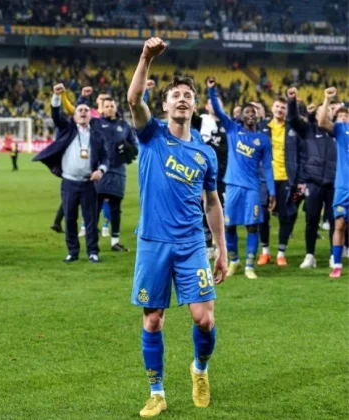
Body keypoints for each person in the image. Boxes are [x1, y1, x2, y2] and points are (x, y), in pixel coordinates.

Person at [127, 38, 227, 418]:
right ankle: (157, 392)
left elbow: (212, 203)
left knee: (204, 318)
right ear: (165, 105)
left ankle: (199, 369)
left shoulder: (205, 153)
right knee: (153, 319)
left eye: (188, 95)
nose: (182, 99)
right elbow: (133, 99)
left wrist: (222, 248)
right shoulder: (151, 134)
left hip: (191, 245)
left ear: (194, 106)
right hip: (153, 243)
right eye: (176, 96)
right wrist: (145, 58)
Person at [208, 77, 276, 280]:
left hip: (253, 188)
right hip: (233, 186)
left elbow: (268, 168)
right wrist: (212, 90)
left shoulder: (263, 140)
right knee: (229, 226)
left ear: (258, 116)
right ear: (241, 116)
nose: (251, 114)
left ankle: (249, 266)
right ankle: (235, 260)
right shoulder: (232, 129)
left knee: (252, 226)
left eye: (254, 112)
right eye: (247, 112)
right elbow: (218, 111)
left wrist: (272, 192)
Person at [34, 82, 109, 263]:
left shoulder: (97, 136)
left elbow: (106, 157)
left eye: (86, 110)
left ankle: (93, 252)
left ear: (90, 115)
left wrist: (101, 170)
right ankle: (72, 252)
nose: (83, 112)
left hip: (88, 183)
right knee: (69, 218)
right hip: (69, 182)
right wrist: (56, 96)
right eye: (79, 110)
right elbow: (56, 115)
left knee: (91, 219)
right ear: (74, 116)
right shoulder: (67, 129)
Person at [286, 88, 337, 269]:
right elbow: (292, 120)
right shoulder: (308, 130)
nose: (326, 113)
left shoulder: (337, 132)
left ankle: (334, 255)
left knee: (335, 220)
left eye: (329, 110)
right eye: (323, 110)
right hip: (313, 182)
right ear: (317, 115)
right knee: (312, 220)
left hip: (334, 182)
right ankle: (310, 255)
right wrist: (292, 102)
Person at [257, 96, 302, 266]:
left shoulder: (292, 129)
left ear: (287, 111)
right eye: (277, 106)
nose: (280, 110)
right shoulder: (262, 127)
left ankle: (281, 253)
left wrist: (298, 178)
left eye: (283, 107)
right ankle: (265, 252)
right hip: (264, 178)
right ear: (272, 108)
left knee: (285, 216)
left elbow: (300, 153)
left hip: (285, 178)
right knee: (262, 215)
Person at [90, 96, 138, 251]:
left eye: (112, 106)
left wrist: (129, 148)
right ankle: (92, 242)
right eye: (107, 106)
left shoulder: (124, 126)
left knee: (116, 208)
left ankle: (115, 242)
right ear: (102, 109)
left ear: (115, 108)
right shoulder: (95, 123)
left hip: (118, 171)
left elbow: (135, 146)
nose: (110, 108)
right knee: (95, 207)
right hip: (99, 171)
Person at [317, 87, 349, 278]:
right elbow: (322, 121)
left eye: (346, 115)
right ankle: (337, 264)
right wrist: (327, 99)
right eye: (341, 115)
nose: (344, 117)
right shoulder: (341, 130)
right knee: (339, 224)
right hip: (344, 187)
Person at [201, 97, 228, 258]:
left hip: (225, 175)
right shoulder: (201, 122)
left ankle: (220, 245)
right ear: (206, 106)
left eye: (218, 102)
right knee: (204, 209)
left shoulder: (228, 123)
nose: (214, 105)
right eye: (211, 102)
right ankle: (207, 245)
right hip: (205, 175)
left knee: (222, 210)